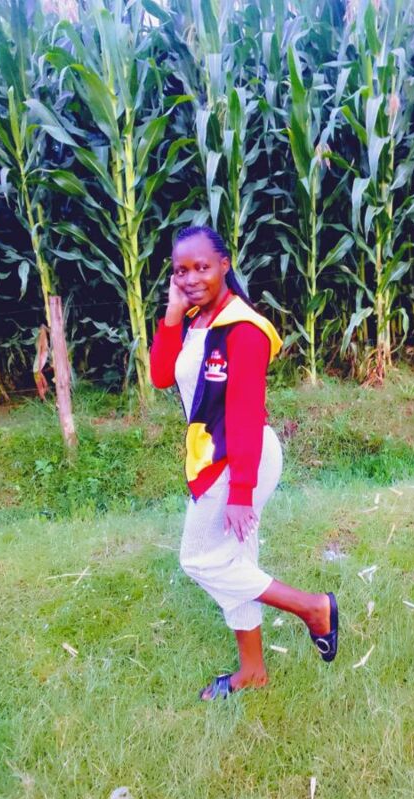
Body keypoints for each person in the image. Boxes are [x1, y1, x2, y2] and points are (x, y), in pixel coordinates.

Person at [150, 225, 339, 700]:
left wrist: (240, 493)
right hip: (214, 452)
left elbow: (246, 413)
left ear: (225, 265)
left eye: (201, 267)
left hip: (241, 456)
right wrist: (172, 313)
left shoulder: (244, 329)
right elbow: (160, 376)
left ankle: (313, 608)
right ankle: (253, 670)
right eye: (180, 270)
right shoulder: (196, 319)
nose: (191, 278)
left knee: (198, 559)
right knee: (237, 560)